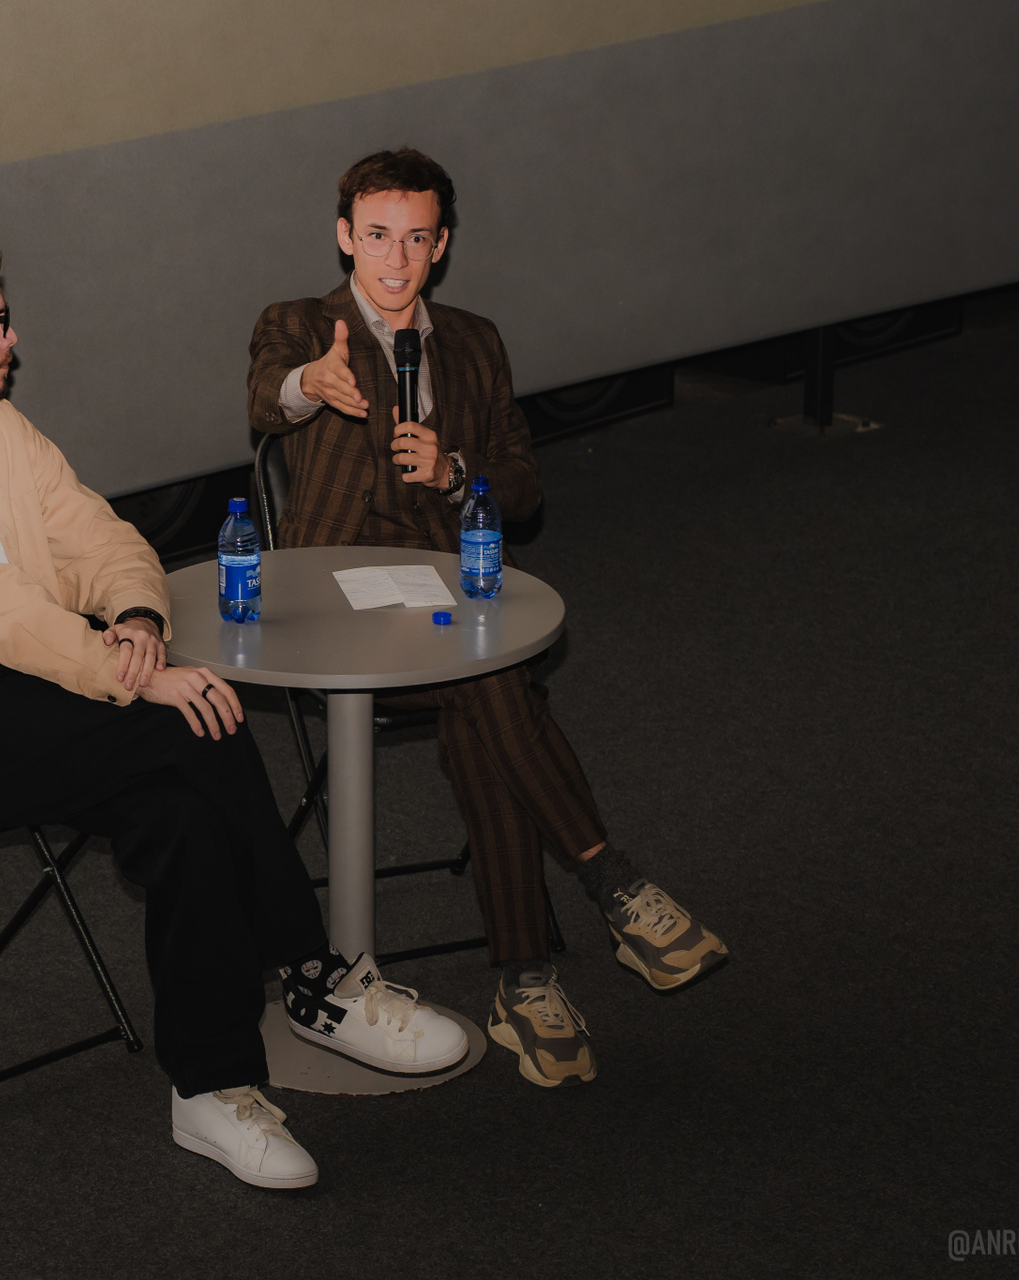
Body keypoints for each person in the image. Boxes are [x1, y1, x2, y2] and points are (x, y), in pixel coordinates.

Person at [0, 231, 466, 1187]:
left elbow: (102, 537)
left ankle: (211, 1088)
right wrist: (134, 675)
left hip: (28, 692)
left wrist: (139, 615)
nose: (13, 339)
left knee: (179, 807)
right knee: (183, 721)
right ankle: (319, 979)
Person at [247, 150, 727, 1089]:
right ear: (344, 237)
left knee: (483, 690)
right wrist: (314, 385)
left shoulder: (474, 340)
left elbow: (525, 485)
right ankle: (606, 891)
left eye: (416, 239)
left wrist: (457, 471)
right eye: (377, 236)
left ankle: (528, 981)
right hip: (334, 595)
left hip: (446, 590)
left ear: (442, 246)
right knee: (491, 679)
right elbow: (270, 394)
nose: (396, 260)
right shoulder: (301, 324)